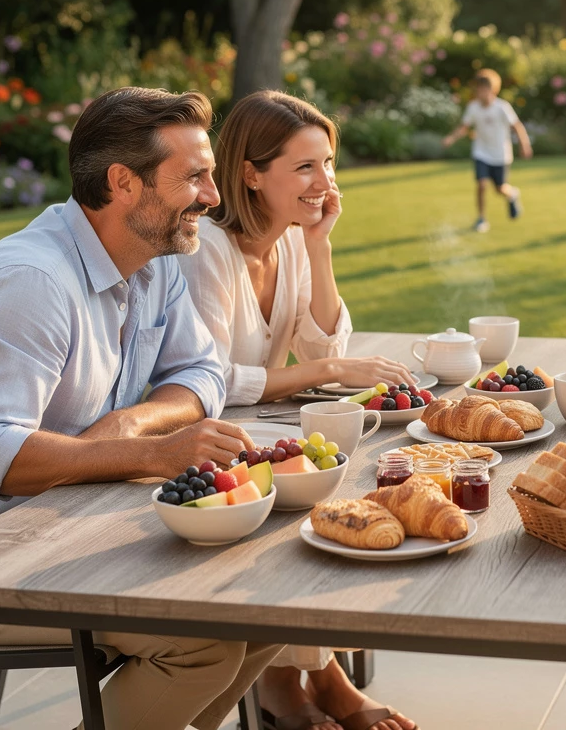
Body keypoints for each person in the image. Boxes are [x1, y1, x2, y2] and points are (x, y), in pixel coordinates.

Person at [0, 86, 286, 730]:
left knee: (265, 608)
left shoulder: (155, 260)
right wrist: (148, 453)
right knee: (200, 644)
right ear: (124, 183)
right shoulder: (30, 282)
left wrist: (127, 426)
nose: (214, 195)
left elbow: (201, 371)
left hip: (62, 525)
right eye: (194, 177)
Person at [179, 89, 417, 730]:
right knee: (304, 517)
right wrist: (332, 372)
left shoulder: (288, 242)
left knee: (338, 490)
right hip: (209, 448)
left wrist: (319, 246)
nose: (325, 182)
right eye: (305, 167)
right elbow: (208, 380)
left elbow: (322, 341)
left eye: (330, 164)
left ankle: (306, 683)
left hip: (263, 439)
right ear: (251, 174)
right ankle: (302, 686)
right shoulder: (206, 254)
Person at [442, 68, 532, 233]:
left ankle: (512, 194)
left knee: (500, 188)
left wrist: (524, 145)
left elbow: (517, 126)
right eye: (477, 88)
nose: (479, 92)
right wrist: (451, 138)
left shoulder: (502, 107)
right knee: (481, 185)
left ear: (493, 90)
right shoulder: (473, 108)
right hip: (481, 152)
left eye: (483, 89)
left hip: (500, 154)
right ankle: (481, 219)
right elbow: (464, 127)